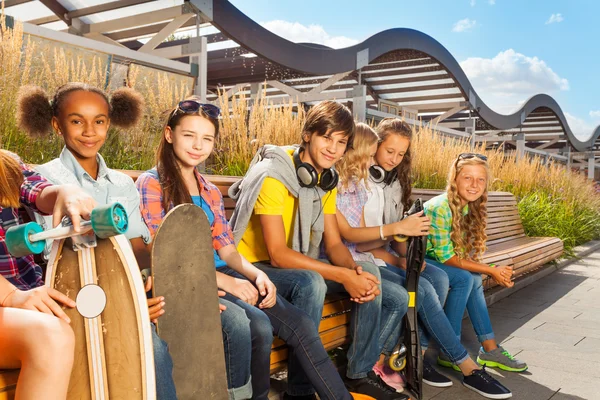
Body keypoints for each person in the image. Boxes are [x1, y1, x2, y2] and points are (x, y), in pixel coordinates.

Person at [136, 98, 365, 400]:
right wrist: (228, 281)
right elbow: (166, 256)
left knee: (300, 324)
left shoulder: (209, 189)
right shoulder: (153, 184)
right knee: (256, 326)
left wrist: (257, 275)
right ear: (169, 134)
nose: (197, 145)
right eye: (189, 135)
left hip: (223, 270)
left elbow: (227, 249)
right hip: (189, 280)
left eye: (206, 138)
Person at [231, 101, 409, 400]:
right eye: (327, 138)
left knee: (368, 272)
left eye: (341, 142)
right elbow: (277, 253)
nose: (334, 149)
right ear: (307, 135)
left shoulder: (326, 179)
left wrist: (355, 273)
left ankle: (360, 374)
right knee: (310, 282)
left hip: (297, 263)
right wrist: (343, 274)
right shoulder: (274, 175)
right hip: (255, 266)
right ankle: (299, 392)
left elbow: (335, 244)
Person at [15, 83, 177, 399]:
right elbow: (53, 260)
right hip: (76, 297)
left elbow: (137, 246)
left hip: (126, 289)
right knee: (149, 349)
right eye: (77, 121)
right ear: (56, 124)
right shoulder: (42, 181)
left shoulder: (121, 183)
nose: (90, 131)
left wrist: (144, 284)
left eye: (99, 121)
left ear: (110, 122)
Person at [335, 122, 513, 399]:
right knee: (428, 286)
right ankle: (463, 364)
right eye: (386, 151)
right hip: (361, 259)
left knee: (445, 278)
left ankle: (423, 357)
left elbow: (382, 240)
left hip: (377, 253)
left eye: (400, 154)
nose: (392, 159)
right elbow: (356, 241)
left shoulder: (389, 183)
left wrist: (405, 250)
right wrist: (398, 241)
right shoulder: (356, 185)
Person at [0, 149, 95, 399]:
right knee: (51, 336)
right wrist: (10, 294)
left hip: (24, 301)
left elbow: (40, 194)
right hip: (11, 303)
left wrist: (66, 192)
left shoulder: (6, 164)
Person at [424, 153, 528, 374]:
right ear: (455, 179)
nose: (475, 185)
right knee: (464, 278)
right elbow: (447, 258)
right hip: (421, 263)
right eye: (468, 178)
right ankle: (450, 349)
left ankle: (489, 349)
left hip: (439, 261)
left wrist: (494, 271)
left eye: (481, 179)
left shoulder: (468, 207)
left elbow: (459, 254)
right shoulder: (440, 207)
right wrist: (492, 270)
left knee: (472, 277)